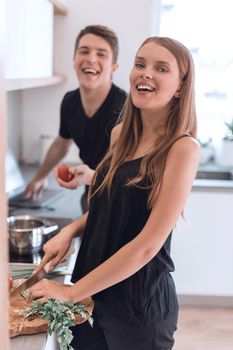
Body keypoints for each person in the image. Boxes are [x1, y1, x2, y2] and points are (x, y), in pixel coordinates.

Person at [30, 36, 200, 349]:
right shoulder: (120, 134)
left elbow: (148, 245)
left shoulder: (182, 148)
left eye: (161, 68)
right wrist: (70, 230)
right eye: (141, 64)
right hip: (93, 293)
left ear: (179, 86)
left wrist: (69, 292)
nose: (146, 73)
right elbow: (110, 207)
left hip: (138, 305)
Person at [24, 24, 127, 212]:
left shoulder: (124, 109)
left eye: (101, 54)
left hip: (120, 200)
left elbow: (126, 174)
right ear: (74, 61)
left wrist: (90, 177)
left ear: (114, 67)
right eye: (84, 51)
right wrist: (39, 176)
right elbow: (61, 145)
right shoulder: (70, 101)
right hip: (91, 195)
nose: (91, 59)